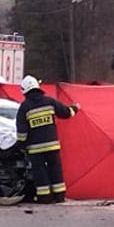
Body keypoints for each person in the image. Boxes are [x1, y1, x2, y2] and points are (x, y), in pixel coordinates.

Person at [15, 75, 79, 203]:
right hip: (52, 146)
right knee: (55, 169)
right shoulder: (49, 102)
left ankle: (44, 197)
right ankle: (59, 196)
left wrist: (21, 145)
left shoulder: (24, 107)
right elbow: (66, 113)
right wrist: (75, 108)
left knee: (40, 172)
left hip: (35, 149)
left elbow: (22, 131)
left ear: (24, 91)